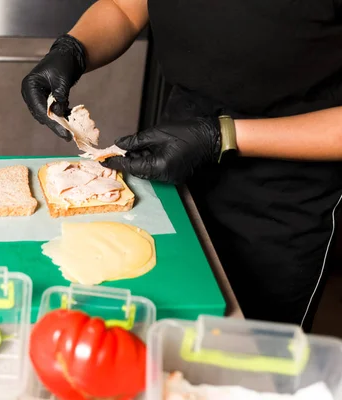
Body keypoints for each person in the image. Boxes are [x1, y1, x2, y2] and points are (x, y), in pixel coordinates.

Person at [21, 0, 342, 331]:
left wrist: (222, 136)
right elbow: (125, 7)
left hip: (280, 198)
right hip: (176, 162)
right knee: (160, 328)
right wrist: (72, 49)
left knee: (246, 356)